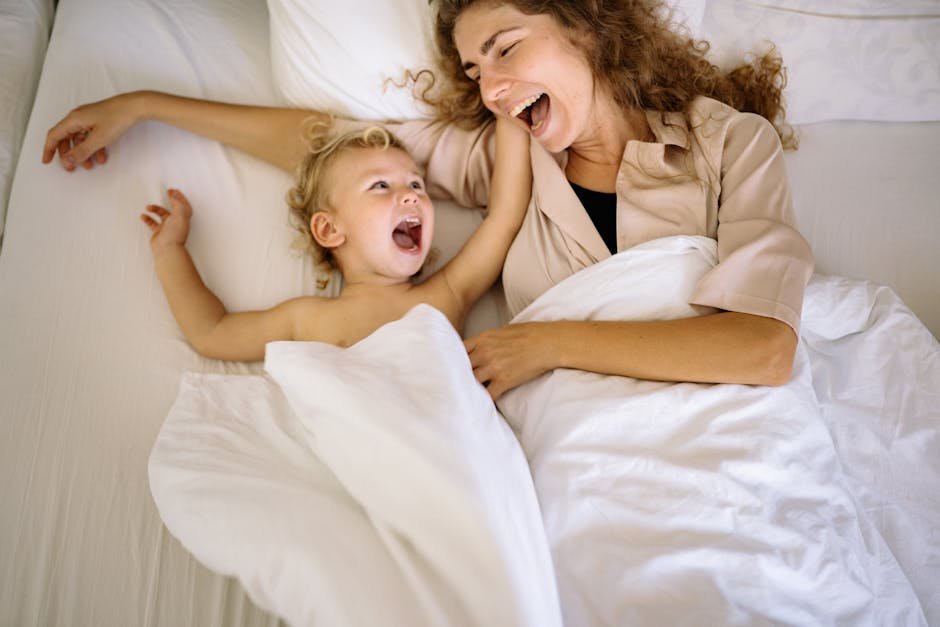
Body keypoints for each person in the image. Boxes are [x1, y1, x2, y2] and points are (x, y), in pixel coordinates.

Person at [42, 0, 813, 398]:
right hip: (587, 457)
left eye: (506, 47)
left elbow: (763, 347)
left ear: (584, 24)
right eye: (476, 72)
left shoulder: (727, 144)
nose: (494, 85)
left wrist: (545, 343)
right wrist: (147, 104)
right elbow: (328, 148)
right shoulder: (506, 160)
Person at [138, 121, 531, 358]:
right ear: (329, 230)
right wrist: (169, 251)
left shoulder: (446, 294)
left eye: (416, 184)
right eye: (380, 185)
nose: (411, 194)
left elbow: (505, 215)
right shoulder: (305, 318)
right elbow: (212, 333)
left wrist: (507, 114)